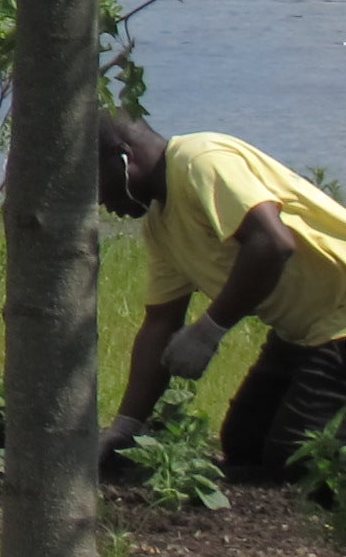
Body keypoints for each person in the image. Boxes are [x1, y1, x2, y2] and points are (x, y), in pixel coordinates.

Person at [98, 112, 346, 484]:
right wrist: (125, 426)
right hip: (301, 332)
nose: (100, 200)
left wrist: (208, 330)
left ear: (123, 157)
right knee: (243, 445)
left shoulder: (201, 159)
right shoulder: (161, 227)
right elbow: (160, 323)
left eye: (95, 183)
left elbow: (272, 243)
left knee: (296, 464)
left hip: (339, 321)